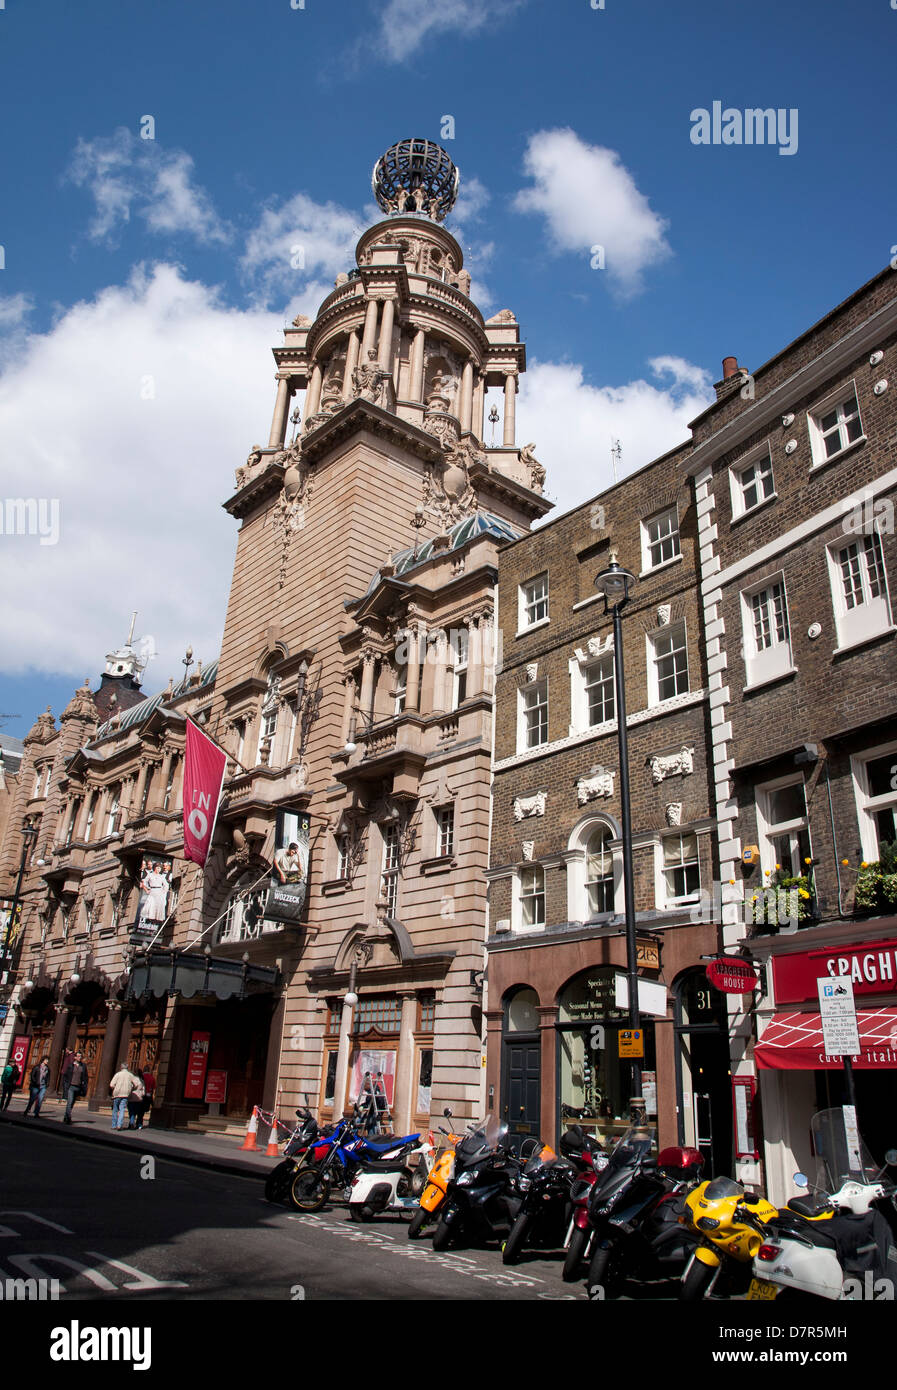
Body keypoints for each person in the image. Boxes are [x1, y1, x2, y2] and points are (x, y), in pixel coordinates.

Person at [60, 1051, 89, 1124]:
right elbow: (66, 1076)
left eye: (80, 1056)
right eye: (78, 1056)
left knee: (72, 1102)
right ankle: (68, 1118)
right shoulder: (71, 1065)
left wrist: (84, 1085)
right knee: (69, 1102)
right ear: (75, 1057)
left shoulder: (83, 1066)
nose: (79, 1058)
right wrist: (66, 1085)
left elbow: (85, 1076)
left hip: (78, 1086)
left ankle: (66, 1116)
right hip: (71, 1086)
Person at [109, 1062, 136, 1130]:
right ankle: (119, 1125)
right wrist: (130, 1087)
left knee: (115, 1109)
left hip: (117, 1094)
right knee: (122, 1110)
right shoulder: (130, 1075)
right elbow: (136, 1084)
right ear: (127, 1068)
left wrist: (115, 1088)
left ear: (121, 1067)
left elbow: (111, 1085)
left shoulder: (118, 1074)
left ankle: (114, 1125)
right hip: (125, 1094)